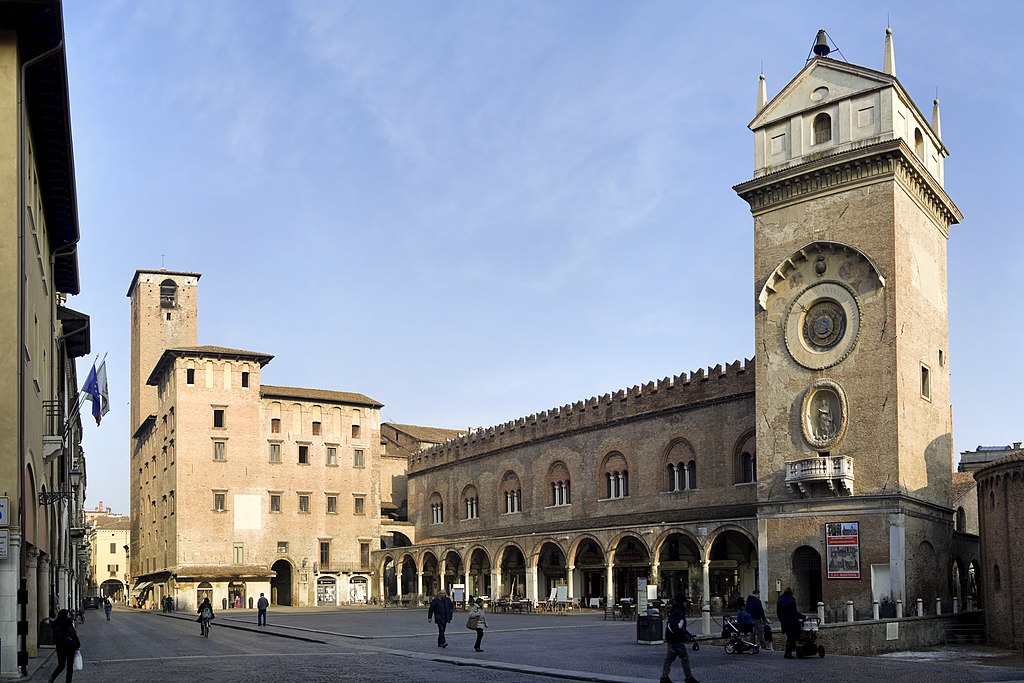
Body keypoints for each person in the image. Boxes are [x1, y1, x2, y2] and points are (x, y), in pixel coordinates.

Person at [660, 598, 699, 683]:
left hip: (670, 638)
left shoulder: (674, 611)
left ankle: (664, 677)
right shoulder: (679, 613)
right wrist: (685, 635)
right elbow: (679, 627)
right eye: (685, 602)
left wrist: (687, 634)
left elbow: (675, 626)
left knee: (668, 659)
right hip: (676, 640)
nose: (686, 604)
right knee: (684, 658)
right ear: (682, 603)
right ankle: (688, 678)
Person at [49, 609, 81, 683]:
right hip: (69, 647)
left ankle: (52, 677)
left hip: (60, 648)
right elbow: (73, 634)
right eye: (67, 614)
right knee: (69, 667)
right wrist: (78, 643)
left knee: (61, 665)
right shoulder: (67, 623)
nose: (68, 615)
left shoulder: (55, 624)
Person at [776, 587, 804, 659]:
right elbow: (794, 612)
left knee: (789, 637)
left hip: (784, 622)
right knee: (793, 637)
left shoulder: (780, 600)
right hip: (792, 621)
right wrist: (803, 617)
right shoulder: (791, 600)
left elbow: (778, 612)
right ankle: (789, 653)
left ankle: (787, 653)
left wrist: (781, 620)